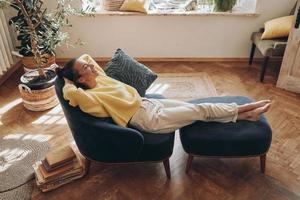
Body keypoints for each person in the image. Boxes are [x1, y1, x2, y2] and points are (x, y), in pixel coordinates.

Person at [55, 54, 271, 134]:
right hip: (147, 119)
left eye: (89, 66)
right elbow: (72, 95)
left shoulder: (100, 77)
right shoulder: (90, 96)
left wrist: (71, 68)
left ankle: (244, 116)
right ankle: (245, 108)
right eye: (86, 68)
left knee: (195, 110)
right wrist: (65, 79)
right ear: (80, 80)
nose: (92, 66)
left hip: (148, 104)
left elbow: (86, 57)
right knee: (200, 109)